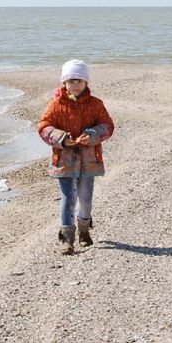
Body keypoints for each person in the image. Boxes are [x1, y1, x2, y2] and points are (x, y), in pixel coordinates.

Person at [37, 59, 115, 255]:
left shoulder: (96, 104)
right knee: (68, 197)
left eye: (79, 81)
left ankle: (84, 230)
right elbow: (44, 127)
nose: (75, 85)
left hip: (89, 160)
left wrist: (92, 135)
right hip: (64, 161)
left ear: (86, 82)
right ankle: (67, 238)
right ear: (64, 83)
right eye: (71, 81)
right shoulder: (55, 105)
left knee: (85, 198)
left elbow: (107, 126)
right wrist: (62, 138)